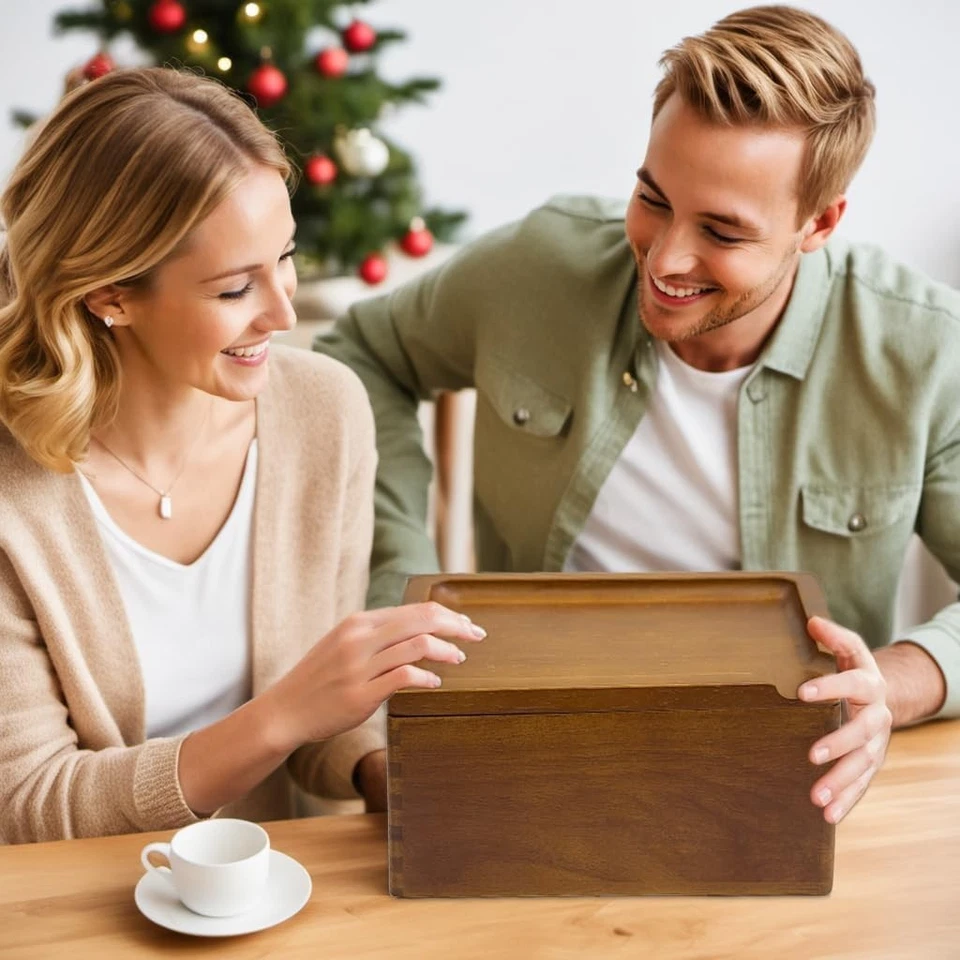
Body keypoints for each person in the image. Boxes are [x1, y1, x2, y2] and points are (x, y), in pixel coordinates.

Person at [314, 4, 960, 826]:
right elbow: (360, 356)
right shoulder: (537, 266)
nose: (664, 258)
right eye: (653, 198)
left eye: (722, 231)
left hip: (777, 781)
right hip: (522, 745)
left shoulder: (925, 350)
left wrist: (889, 687)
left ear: (820, 222)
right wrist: (404, 574)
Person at [0, 67, 485, 844]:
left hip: (263, 897)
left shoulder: (324, 413)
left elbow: (323, 714)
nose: (285, 311)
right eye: (234, 290)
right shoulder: (14, 496)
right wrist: (282, 716)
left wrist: (377, 770)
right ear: (110, 297)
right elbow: (28, 803)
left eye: (286, 256)